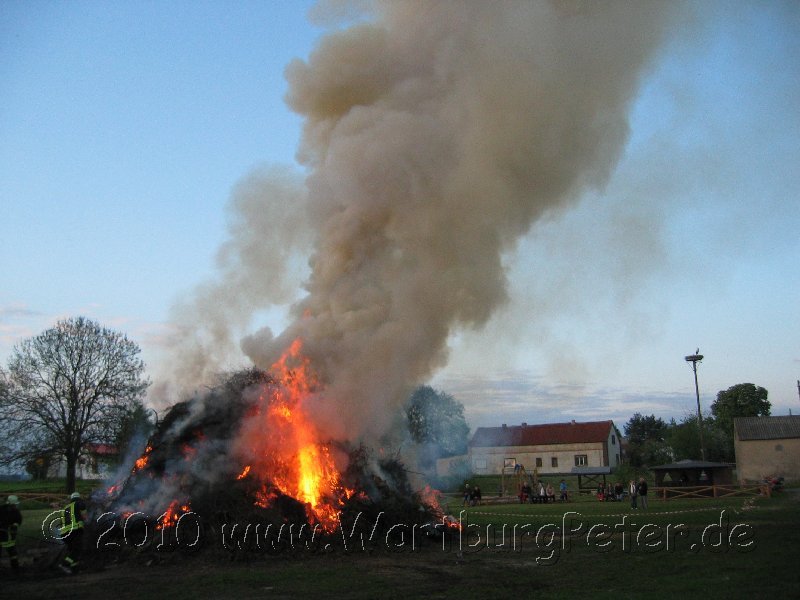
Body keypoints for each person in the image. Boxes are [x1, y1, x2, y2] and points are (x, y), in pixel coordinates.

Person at [60, 491, 87, 575]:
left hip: (64, 534)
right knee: (77, 550)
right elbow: (84, 517)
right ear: (79, 498)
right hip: (74, 531)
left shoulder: (65, 508)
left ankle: (74, 570)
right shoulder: (79, 503)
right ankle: (65, 564)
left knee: (73, 551)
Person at [0, 495, 22, 576]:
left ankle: (15, 567)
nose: (15, 506)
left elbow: (19, 520)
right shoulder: (2, 509)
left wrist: (14, 525)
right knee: (11, 551)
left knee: (12, 552)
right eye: (14, 504)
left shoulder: (16, 511)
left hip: (10, 534)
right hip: (3, 534)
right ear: (11, 504)